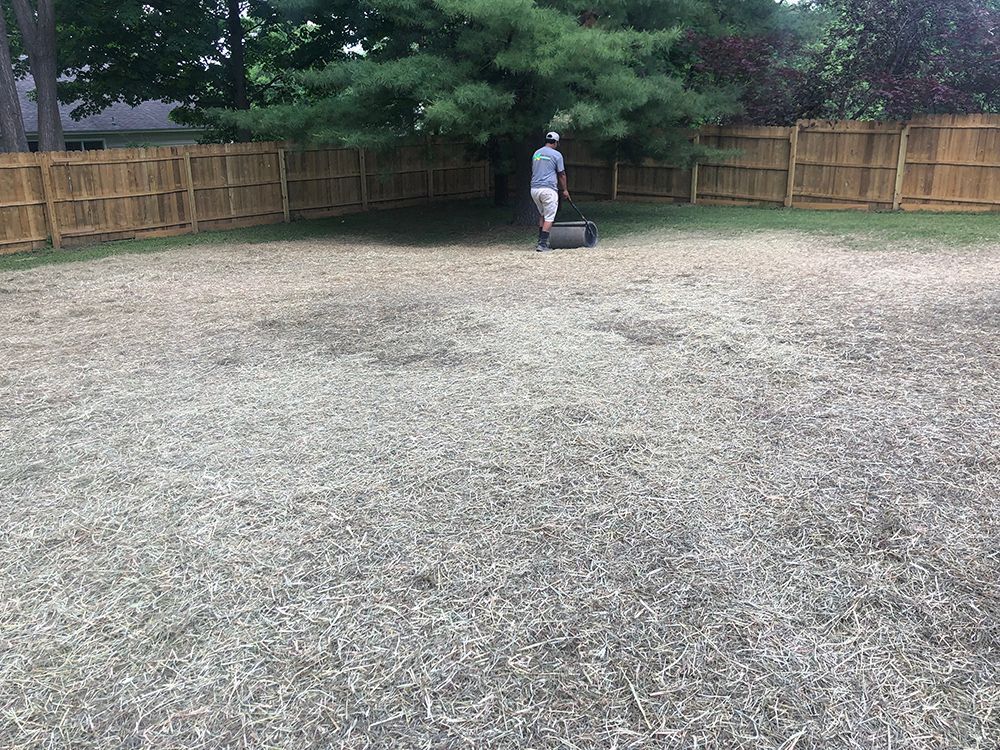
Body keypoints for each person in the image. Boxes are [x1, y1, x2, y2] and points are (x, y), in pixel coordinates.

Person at [530, 131, 571, 252]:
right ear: (556, 142)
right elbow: (561, 174)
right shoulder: (557, 155)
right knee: (549, 217)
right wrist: (565, 190)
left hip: (534, 190)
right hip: (548, 189)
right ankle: (542, 244)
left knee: (542, 214)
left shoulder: (537, 153)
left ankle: (540, 241)